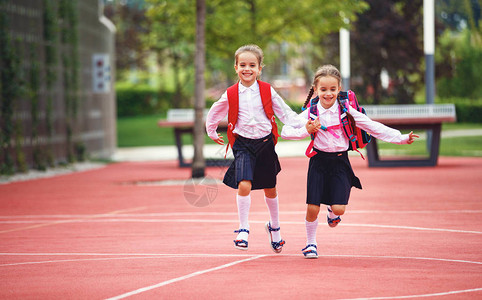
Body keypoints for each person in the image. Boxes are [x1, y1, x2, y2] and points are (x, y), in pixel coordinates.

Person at [281, 64, 419, 259]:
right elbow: (286, 131)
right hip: (318, 161)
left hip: (340, 162)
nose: (328, 94)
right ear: (316, 89)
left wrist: (401, 138)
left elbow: (373, 127)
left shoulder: (347, 111)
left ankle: (332, 213)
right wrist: (306, 130)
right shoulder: (310, 112)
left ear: (339, 89)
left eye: (332, 89)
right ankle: (310, 244)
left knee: (339, 209)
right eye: (323, 89)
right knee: (312, 207)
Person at [206, 44, 318, 253]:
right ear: (235, 67)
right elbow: (215, 111)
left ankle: (274, 227)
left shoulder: (267, 90)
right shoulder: (231, 93)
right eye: (242, 65)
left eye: (252, 65)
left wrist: (305, 125)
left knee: (270, 188)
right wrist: (211, 130)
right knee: (244, 184)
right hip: (243, 145)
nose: (247, 69)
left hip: (265, 143)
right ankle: (243, 229)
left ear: (259, 68)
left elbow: (285, 114)